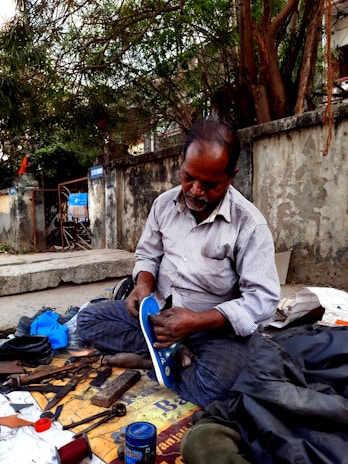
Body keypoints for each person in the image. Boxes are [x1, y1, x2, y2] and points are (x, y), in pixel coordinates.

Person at [77, 119, 280, 408]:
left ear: (231, 176)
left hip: (211, 332)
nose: (196, 191)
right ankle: (168, 354)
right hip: (157, 322)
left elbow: (262, 301)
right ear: (180, 164)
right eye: (188, 177)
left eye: (210, 185)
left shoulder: (249, 225)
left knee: (215, 385)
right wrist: (142, 286)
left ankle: (155, 360)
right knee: (88, 320)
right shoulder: (163, 205)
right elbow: (147, 255)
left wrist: (196, 321)